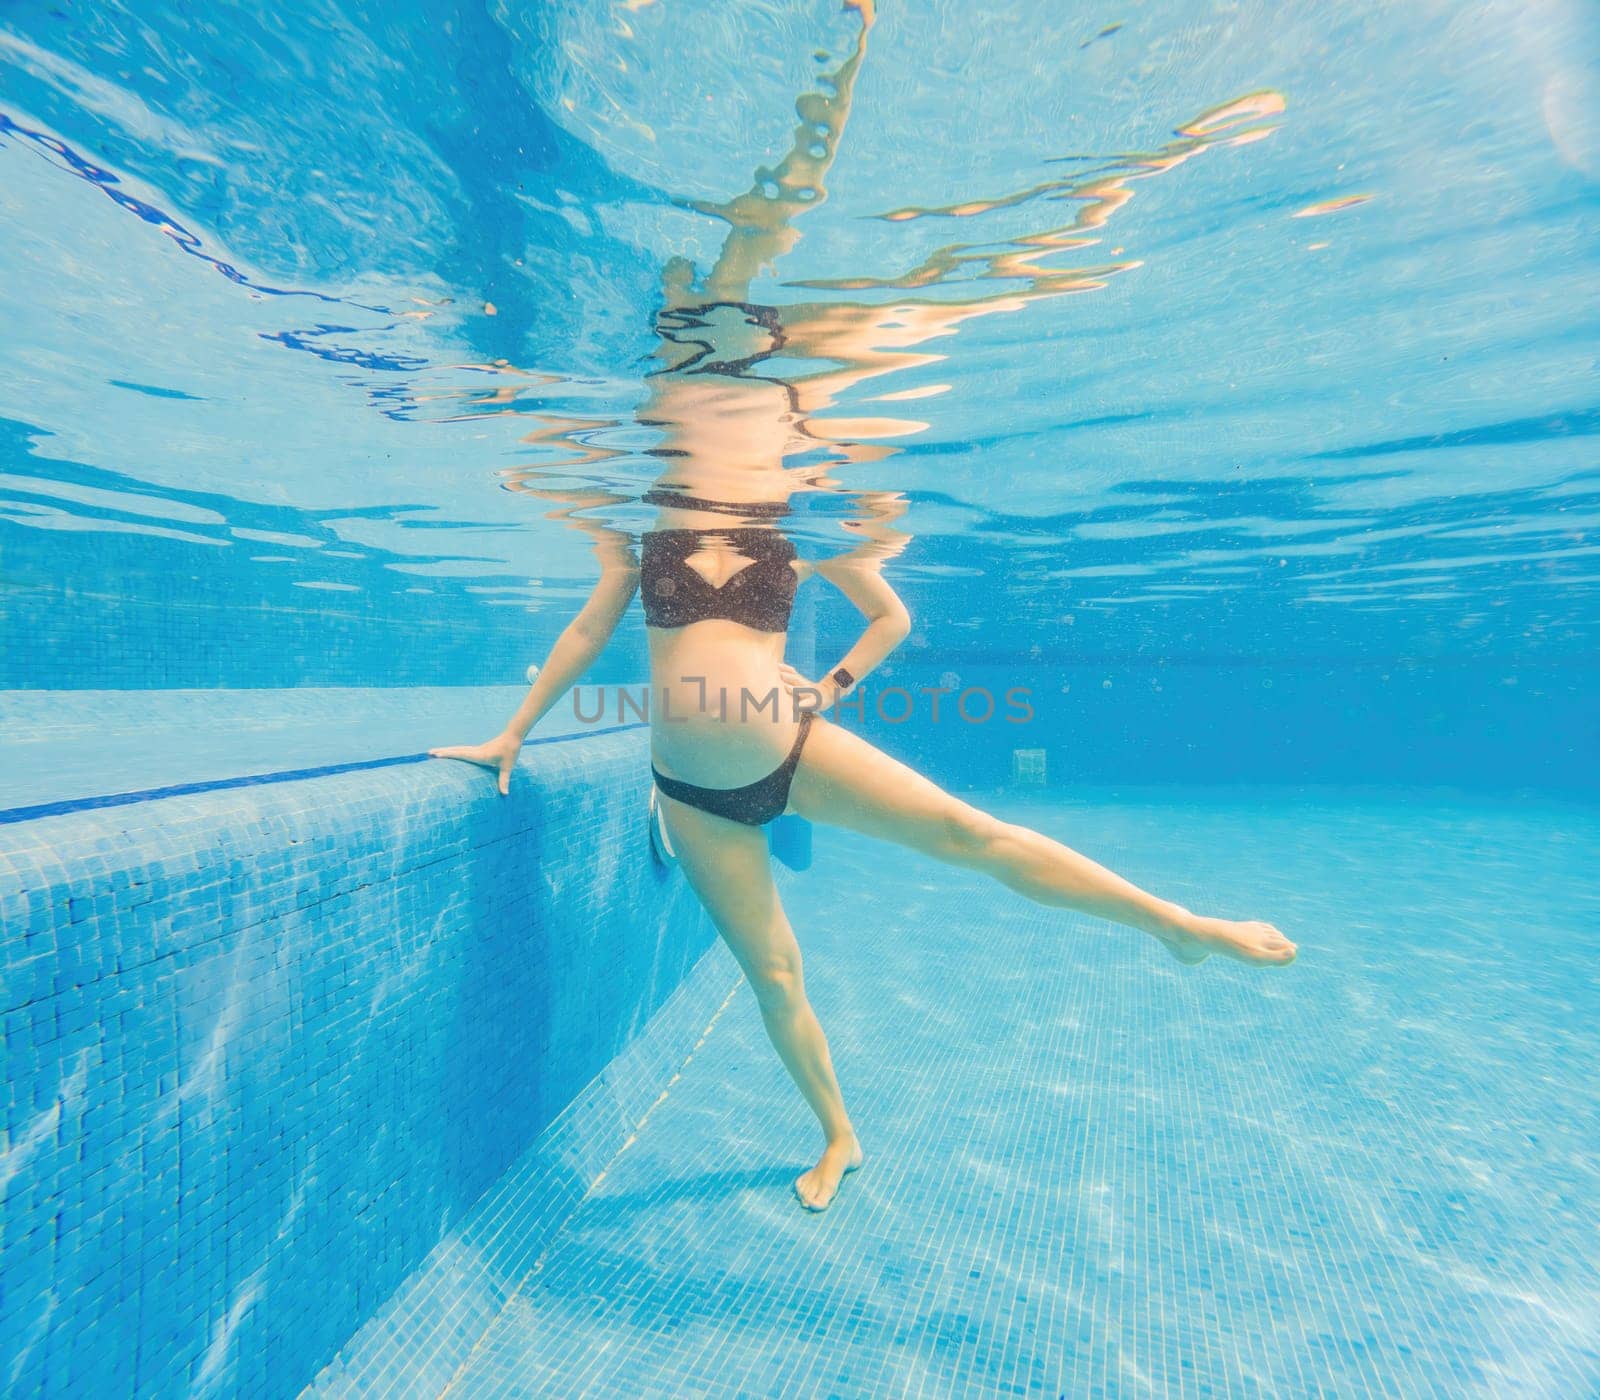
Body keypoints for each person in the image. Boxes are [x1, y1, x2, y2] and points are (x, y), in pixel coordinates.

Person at [430, 1, 1295, 1213]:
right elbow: (590, 630)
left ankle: (1172, 922)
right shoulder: (657, 498)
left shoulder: (766, 454)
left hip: (788, 744)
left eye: (694, 329)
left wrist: (835, 76)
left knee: (977, 839)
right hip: (696, 793)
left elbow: (765, 225)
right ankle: (836, 1134)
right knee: (774, 973)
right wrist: (515, 731)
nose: (690, 339)